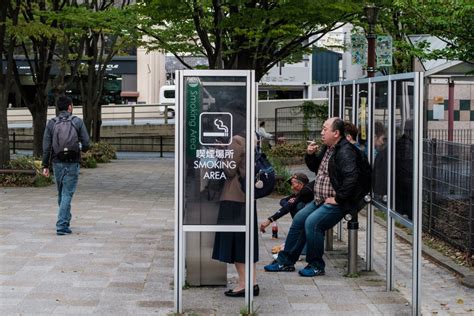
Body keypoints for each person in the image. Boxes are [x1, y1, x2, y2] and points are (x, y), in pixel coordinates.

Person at [264, 117, 365, 277]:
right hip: (321, 199)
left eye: (325, 129)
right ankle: (286, 261)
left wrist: (338, 199)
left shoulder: (345, 152)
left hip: (338, 203)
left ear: (336, 133)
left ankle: (316, 265)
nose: (321, 132)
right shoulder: (329, 147)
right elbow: (317, 168)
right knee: (299, 219)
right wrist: (310, 155)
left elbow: (351, 178)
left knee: (312, 223)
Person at [212, 110, 259, 297]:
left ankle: (243, 284)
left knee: (237, 242)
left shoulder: (237, 140)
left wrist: (219, 154)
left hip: (234, 196)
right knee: (247, 241)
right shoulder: (251, 139)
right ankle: (252, 282)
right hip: (247, 196)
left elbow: (230, 170)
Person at [42, 96, 90, 235]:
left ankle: (65, 220)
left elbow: (46, 147)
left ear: (58, 108)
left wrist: (45, 165)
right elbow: (86, 143)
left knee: (62, 193)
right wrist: (82, 150)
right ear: (70, 107)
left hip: (57, 162)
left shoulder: (51, 123)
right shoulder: (77, 122)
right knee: (67, 194)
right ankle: (62, 225)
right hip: (72, 162)